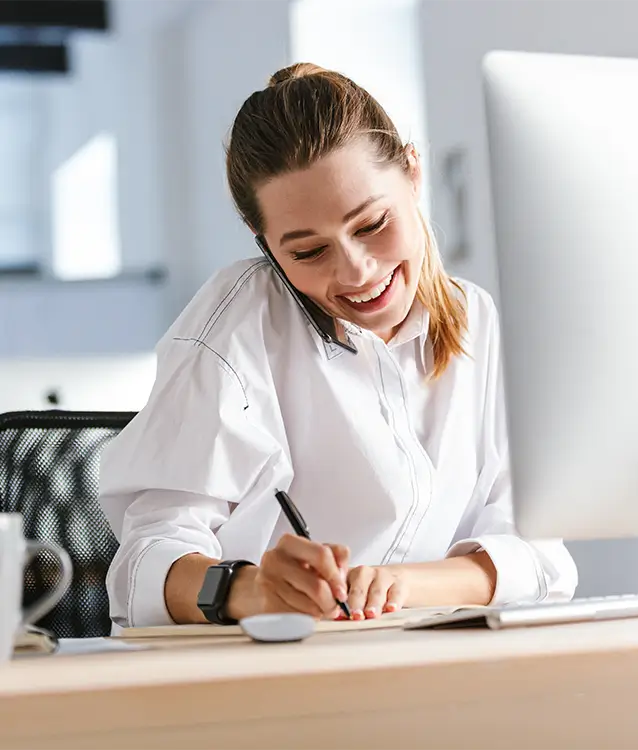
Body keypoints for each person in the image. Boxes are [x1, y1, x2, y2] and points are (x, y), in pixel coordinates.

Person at [99, 63, 577, 629]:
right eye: (307, 252)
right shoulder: (239, 323)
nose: (356, 270)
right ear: (268, 246)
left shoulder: (477, 321)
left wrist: (399, 585)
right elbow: (144, 567)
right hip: (266, 675)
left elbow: (540, 557)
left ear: (413, 174)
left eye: (372, 224)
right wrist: (250, 590)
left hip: (426, 661)